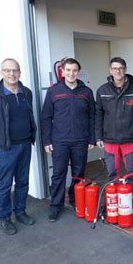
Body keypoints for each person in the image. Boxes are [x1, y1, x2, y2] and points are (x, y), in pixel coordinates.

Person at [0, 58, 37, 235]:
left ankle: (20, 212)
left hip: (25, 144)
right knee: (4, 184)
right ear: (1, 72)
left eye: (15, 70)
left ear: (20, 72)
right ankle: (5, 217)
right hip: (6, 148)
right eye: (7, 70)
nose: (12, 74)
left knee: (23, 181)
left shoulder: (26, 92)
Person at [42, 58, 95, 222]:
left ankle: (75, 200)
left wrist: (92, 139)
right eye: (68, 70)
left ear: (78, 72)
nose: (71, 73)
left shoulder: (86, 91)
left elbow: (92, 116)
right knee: (58, 174)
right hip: (60, 141)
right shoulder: (54, 91)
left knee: (78, 174)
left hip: (81, 140)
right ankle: (55, 206)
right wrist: (47, 141)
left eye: (74, 70)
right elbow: (46, 117)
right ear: (62, 72)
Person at [95, 57, 133, 212]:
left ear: (125, 69)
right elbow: (98, 115)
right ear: (110, 70)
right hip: (109, 139)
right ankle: (114, 199)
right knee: (112, 173)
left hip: (130, 139)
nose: (117, 71)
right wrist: (98, 136)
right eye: (114, 68)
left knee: (131, 173)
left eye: (121, 68)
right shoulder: (102, 91)